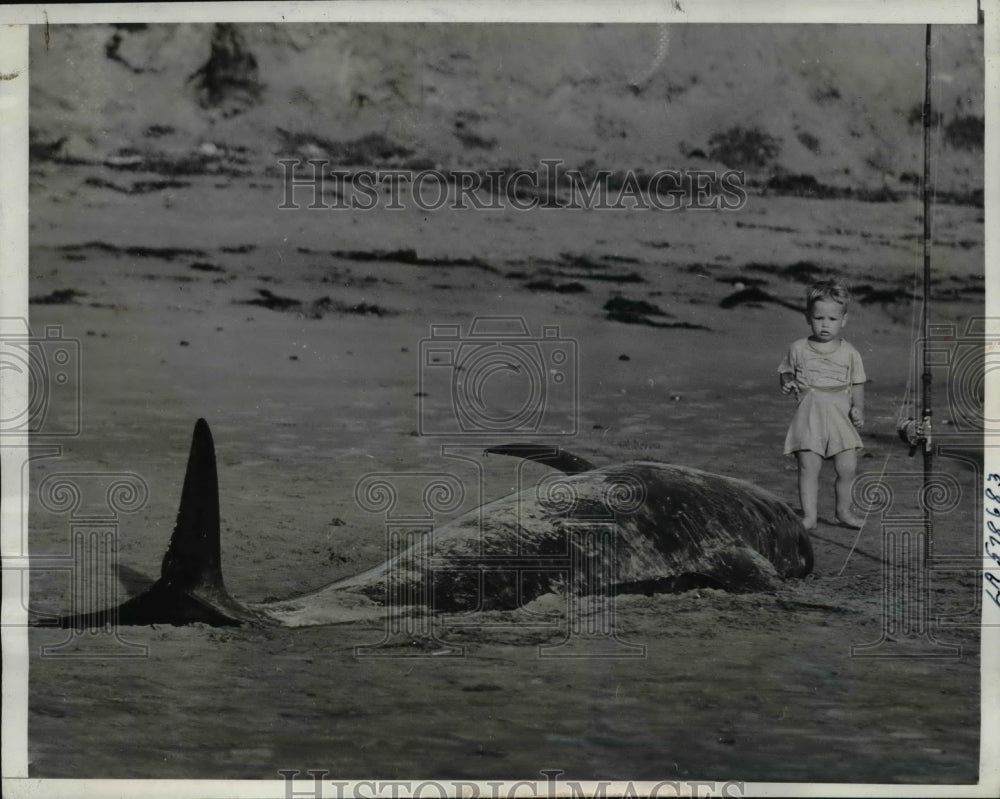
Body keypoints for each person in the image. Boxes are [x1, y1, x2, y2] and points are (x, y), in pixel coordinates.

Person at [778, 280, 866, 531]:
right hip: (810, 414)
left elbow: (857, 383)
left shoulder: (850, 352)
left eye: (832, 319)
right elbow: (785, 372)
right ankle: (809, 516)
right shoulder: (798, 348)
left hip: (841, 415)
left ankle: (843, 511)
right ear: (808, 317)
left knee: (847, 467)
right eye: (818, 318)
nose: (825, 324)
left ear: (844, 320)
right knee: (808, 467)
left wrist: (858, 409)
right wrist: (786, 383)